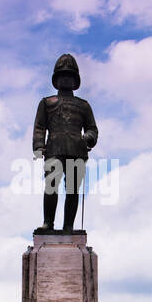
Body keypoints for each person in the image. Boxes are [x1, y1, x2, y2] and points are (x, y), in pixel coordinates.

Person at [33, 54, 98, 231]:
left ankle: (68, 226)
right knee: (51, 186)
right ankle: (48, 223)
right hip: (54, 149)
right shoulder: (47, 103)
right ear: (56, 79)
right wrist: (39, 146)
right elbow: (40, 127)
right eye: (63, 76)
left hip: (77, 150)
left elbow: (92, 128)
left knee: (72, 190)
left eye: (69, 76)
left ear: (75, 80)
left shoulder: (83, 105)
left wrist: (89, 138)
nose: (66, 79)